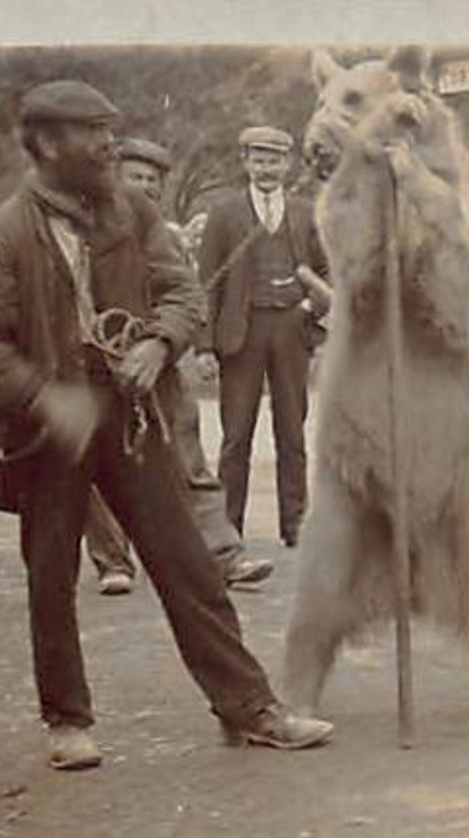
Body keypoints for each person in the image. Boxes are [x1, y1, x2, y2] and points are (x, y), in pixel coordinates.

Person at [0, 80, 331, 770]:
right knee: (50, 575)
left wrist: (158, 343)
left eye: (110, 129)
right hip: (47, 433)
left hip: (132, 418)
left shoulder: (130, 213)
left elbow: (183, 292)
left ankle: (248, 707)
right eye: (90, 133)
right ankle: (67, 722)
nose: (107, 143)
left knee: (190, 564)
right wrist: (48, 399)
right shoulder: (1, 234)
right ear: (46, 144)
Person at [83, 138, 275, 597]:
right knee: (97, 464)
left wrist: (161, 339)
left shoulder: (163, 235)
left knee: (189, 458)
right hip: (93, 365)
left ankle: (225, 557)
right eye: (136, 177)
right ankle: (114, 562)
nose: (145, 187)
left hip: (160, 363)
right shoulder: (85, 230)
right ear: (115, 178)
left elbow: (185, 297)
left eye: (153, 180)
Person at [198, 126, 329, 547]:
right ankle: (228, 531)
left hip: (292, 329)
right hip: (242, 331)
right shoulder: (224, 213)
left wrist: (310, 308)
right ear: (245, 163)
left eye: (274, 160)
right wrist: (203, 345)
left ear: (287, 164)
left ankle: (295, 527)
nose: (266, 168)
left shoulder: (308, 212)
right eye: (258, 159)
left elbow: (328, 273)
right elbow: (207, 283)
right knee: (236, 435)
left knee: (292, 432)